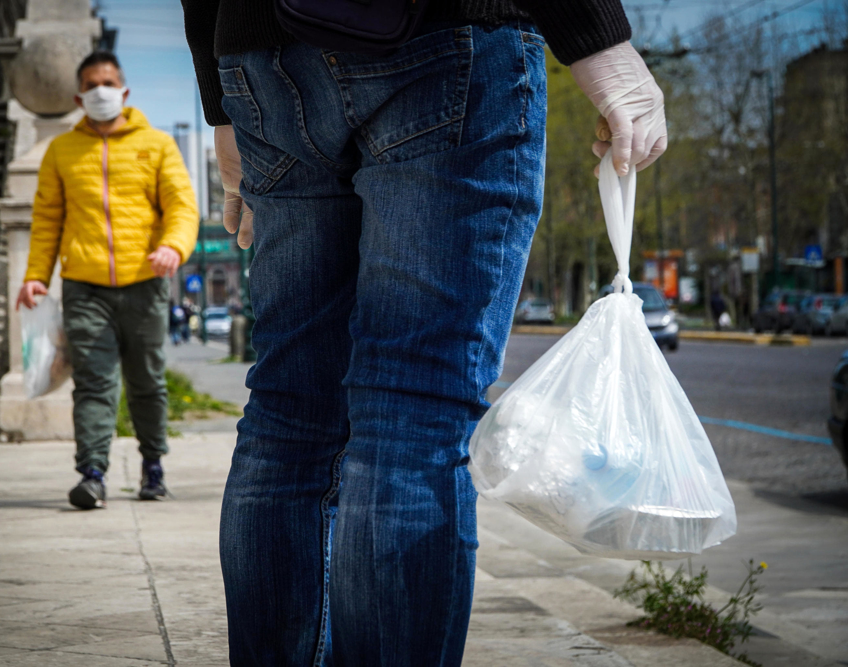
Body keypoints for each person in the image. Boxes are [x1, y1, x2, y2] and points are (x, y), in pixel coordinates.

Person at [181, 1, 667, 663]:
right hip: (443, 30)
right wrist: (596, 34)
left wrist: (220, 96)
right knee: (411, 414)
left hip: (262, 52)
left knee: (287, 413)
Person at [15, 51, 199, 510]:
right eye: (92, 85)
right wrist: (36, 276)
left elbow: (181, 205)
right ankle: (92, 474)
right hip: (85, 287)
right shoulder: (61, 151)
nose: (101, 91)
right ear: (79, 96)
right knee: (94, 384)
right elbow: (47, 220)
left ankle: (153, 466)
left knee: (147, 382)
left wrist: (174, 246)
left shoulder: (156, 145)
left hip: (146, 283)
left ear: (124, 91)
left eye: (108, 83)